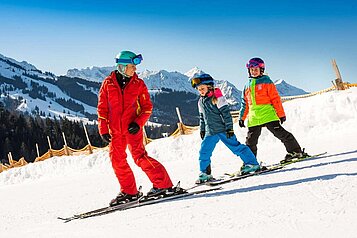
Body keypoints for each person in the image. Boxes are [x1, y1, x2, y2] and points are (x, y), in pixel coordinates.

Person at [97, 50, 174, 206]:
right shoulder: (108, 83)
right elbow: (102, 108)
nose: (135, 69)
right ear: (123, 67)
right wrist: (103, 129)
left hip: (132, 129)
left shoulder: (138, 84)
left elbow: (147, 107)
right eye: (133, 66)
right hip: (115, 131)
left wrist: (138, 123)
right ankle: (129, 191)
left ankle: (163, 185)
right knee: (117, 160)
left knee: (139, 157)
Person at [191, 73, 260, 184]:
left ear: (209, 87)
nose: (201, 91)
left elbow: (226, 114)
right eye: (199, 90)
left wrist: (229, 128)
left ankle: (252, 164)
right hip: (210, 132)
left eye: (202, 88)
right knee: (204, 152)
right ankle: (205, 173)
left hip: (223, 130)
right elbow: (202, 117)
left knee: (236, 147)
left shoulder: (217, 98)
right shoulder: (200, 101)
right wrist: (202, 129)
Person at [239, 57, 307, 163]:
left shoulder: (267, 82)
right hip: (254, 117)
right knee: (250, 141)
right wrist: (241, 118)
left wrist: (281, 114)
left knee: (281, 133)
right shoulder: (246, 85)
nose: (253, 72)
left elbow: (275, 99)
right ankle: (250, 162)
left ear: (261, 70)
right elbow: (245, 104)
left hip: (268, 114)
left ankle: (295, 151)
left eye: (256, 69)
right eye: (251, 69)